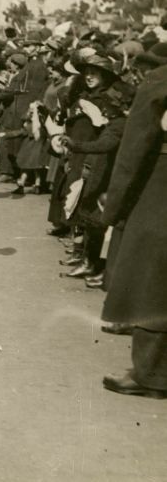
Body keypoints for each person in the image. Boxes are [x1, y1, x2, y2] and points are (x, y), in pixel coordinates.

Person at [100, 63, 167, 398]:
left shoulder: (160, 81)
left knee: (151, 280)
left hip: (161, 188)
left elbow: (135, 150)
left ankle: (151, 374)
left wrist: (114, 208)